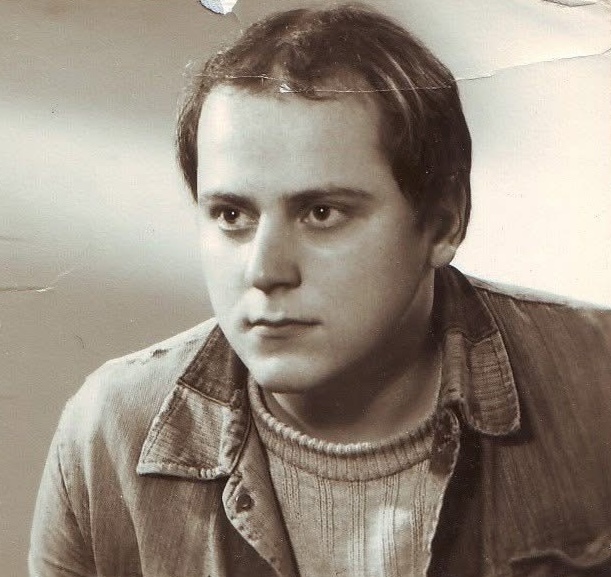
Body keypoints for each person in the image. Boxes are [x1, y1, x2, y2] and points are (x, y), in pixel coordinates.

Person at [29, 4, 611, 577]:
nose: (265, 271)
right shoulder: (109, 432)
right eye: (232, 215)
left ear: (443, 222)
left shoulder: (598, 379)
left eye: (322, 213)